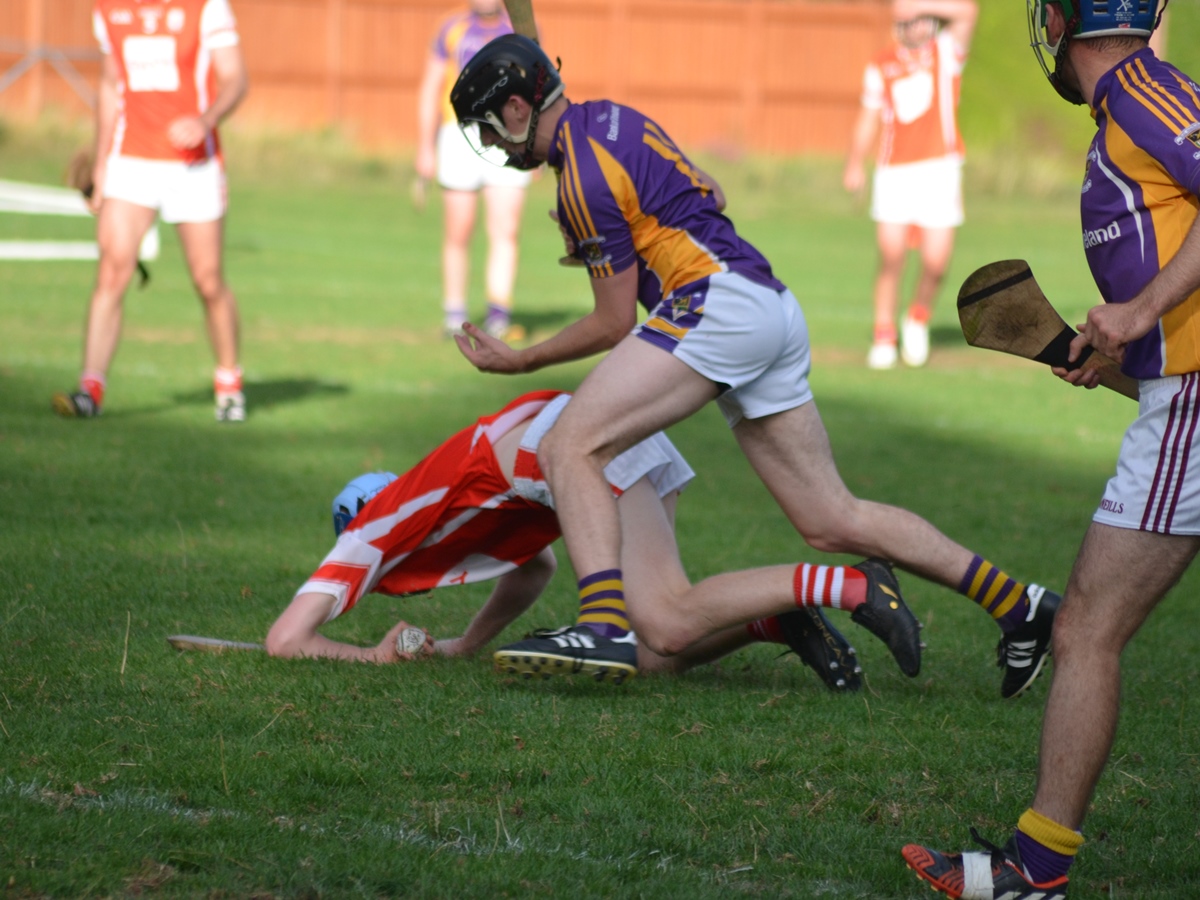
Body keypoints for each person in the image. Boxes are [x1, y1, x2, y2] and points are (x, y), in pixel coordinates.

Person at [446, 35, 1059, 698]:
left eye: (490, 128)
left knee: (572, 442)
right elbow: (710, 190)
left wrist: (523, 358)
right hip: (767, 303)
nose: (498, 147)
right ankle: (1022, 605)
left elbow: (613, 322)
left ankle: (602, 626)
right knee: (833, 517)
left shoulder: (580, 179)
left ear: (515, 110)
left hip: (716, 306)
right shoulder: (615, 121)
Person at [900, 1, 1196, 896]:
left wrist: (1140, 314)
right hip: (1178, 396)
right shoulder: (1128, 114)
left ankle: (1035, 870)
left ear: (1069, 19)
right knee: (1087, 630)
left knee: (1086, 629)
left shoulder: (1146, 92)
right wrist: (1103, 353)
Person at [265, 390, 873, 693]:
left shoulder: (374, 531)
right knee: (656, 651)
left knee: (666, 618)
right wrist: (462, 646)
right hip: (598, 434)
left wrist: (372, 658)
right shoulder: (436, 504)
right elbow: (533, 572)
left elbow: (284, 640)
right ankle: (774, 621)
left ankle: (853, 585)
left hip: (576, 445)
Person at [54, 0, 249, 422]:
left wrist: (205, 119)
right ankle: (91, 389)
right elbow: (109, 85)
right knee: (112, 269)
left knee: (208, 280)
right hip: (131, 161)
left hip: (193, 163)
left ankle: (229, 381)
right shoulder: (108, 8)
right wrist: (102, 160)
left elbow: (235, 79)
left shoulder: (207, 7)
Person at [842, 0, 977, 369]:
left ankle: (917, 318)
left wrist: (916, 4)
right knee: (892, 255)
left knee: (936, 261)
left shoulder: (946, 53)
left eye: (921, 19)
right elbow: (868, 119)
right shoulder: (882, 63)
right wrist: (855, 162)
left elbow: (968, 12)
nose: (915, 25)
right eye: (908, 19)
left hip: (940, 170)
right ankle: (884, 333)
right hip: (894, 174)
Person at [415, 0, 531, 341]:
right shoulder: (451, 28)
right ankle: (455, 315)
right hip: (458, 136)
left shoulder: (519, 30)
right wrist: (425, 146)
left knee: (505, 229)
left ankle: (498, 314)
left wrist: (534, 143)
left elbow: (536, 90)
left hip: (510, 135)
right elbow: (430, 88)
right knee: (458, 231)